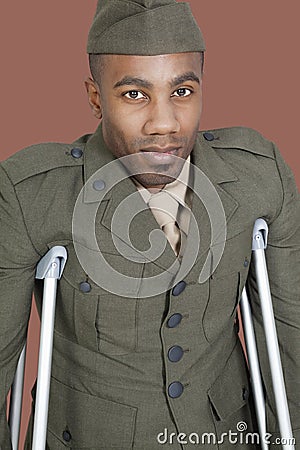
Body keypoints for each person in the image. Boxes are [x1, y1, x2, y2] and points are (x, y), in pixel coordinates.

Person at [0, 0, 299, 448]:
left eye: (182, 91)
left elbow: (290, 337)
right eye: (135, 94)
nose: (164, 123)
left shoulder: (260, 175)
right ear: (96, 97)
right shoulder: (31, 194)